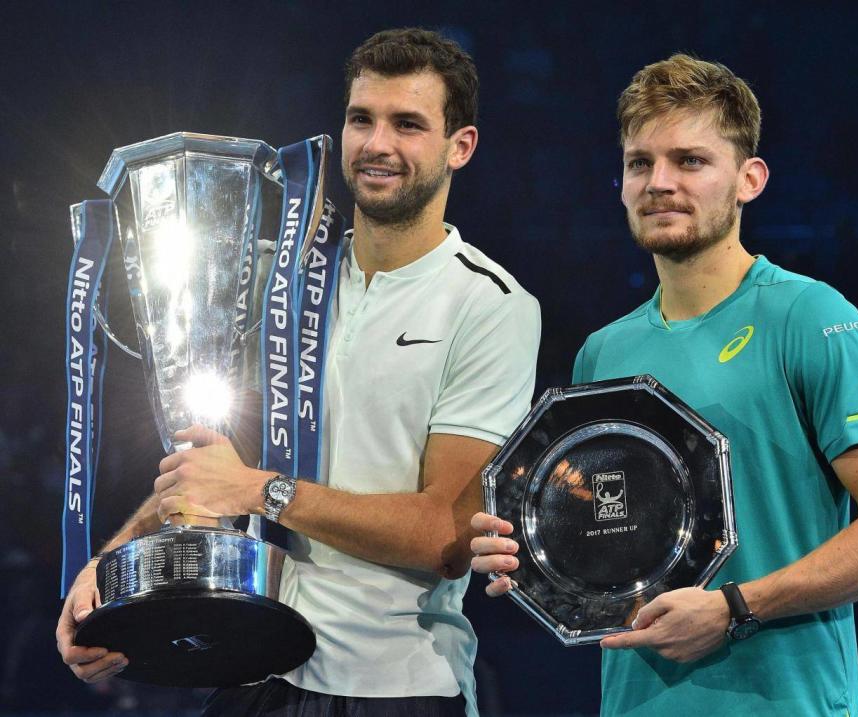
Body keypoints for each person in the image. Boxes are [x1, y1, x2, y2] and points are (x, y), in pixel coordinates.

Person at [56, 28, 540, 717]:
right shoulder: (283, 282)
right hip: (257, 666)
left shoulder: (491, 305)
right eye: (361, 118)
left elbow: (444, 536)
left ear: (459, 146)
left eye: (408, 124)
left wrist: (262, 490)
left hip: (392, 685)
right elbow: (220, 463)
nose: (377, 144)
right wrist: (109, 569)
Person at [470, 53, 858, 716]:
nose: (659, 182)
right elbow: (609, 536)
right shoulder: (604, 351)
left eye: (690, 161)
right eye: (640, 162)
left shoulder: (813, 318)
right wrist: (526, 551)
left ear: (750, 179)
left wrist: (734, 607)